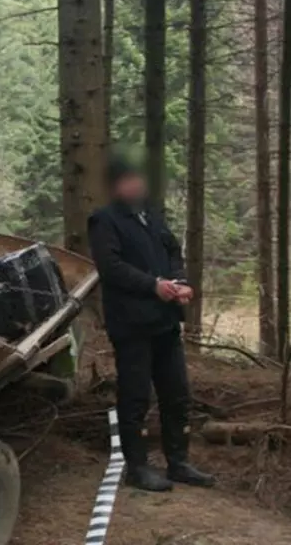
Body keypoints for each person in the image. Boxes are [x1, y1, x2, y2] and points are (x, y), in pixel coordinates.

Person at [87, 156, 215, 492]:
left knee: (177, 394)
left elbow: (173, 252)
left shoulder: (152, 217)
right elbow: (111, 267)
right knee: (135, 396)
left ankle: (179, 462)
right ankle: (138, 466)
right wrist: (152, 285)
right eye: (129, 180)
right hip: (131, 326)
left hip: (165, 323)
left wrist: (180, 281)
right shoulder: (105, 220)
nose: (137, 185)